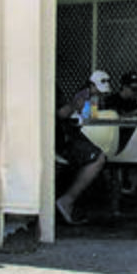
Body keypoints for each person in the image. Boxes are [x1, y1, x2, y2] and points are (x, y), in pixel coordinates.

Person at [54, 69, 111, 225]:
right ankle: (68, 200)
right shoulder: (83, 96)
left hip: (66, 137)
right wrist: (75, 105)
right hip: (63, 139)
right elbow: (62, 114)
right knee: (98, 158)